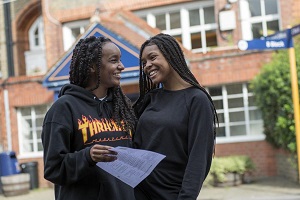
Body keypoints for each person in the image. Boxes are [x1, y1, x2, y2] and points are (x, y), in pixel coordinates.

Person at [42, 36, 137, 200]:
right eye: (114, 60)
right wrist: (87, 157)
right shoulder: (64, 108)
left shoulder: (122, 108)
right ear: (93, 66)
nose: (121, 66)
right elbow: (53, 169)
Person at [133, 33, 217, 200]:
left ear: (171, 55)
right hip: (138, 193)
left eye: (152, 58)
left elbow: (198, 159)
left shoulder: (197, 99)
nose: (147, 66)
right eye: (144, 62)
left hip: (171, 195)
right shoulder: (150, 98)